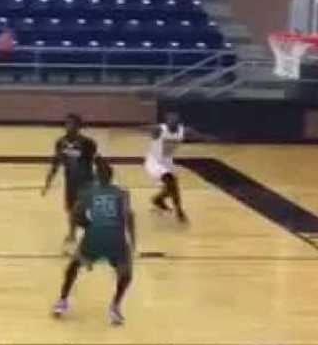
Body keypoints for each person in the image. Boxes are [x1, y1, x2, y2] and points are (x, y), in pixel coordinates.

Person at [53, 158, 135, 326]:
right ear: (111, 176)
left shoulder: (89, 192)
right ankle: (115, 306)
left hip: (96, 236)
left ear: (97, 175)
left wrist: (74, 231)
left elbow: (75, 213)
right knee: (125, 274)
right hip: (114, 238)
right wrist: (133, 240)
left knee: (73, 267)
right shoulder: (122, 193)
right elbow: (129, 216)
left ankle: (62, 300)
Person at [146, 111, 212, 223]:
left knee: (171, 187)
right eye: (170, 121)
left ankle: (158, 199)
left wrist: (209, 138)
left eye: (174, 121)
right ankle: (179, 211)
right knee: (171, 182)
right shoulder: (159, 129)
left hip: (167, 162)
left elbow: (198, 135)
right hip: (154, 162)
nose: (172, 123)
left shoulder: (184, 131)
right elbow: (145, 129)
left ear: (178, 122)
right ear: (166, 122)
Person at [41, 113, 97, 244]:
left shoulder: (88, 143)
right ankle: (72, 234)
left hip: (85, 182)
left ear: (79, 126)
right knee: (70, 209)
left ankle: (92, 232)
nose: (69, 126)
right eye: (67, 123)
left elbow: (95, 162)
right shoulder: (60, 143)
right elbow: (56, 163)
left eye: (72, 124)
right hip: (70, 182)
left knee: (82, 209)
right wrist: (48, 182)